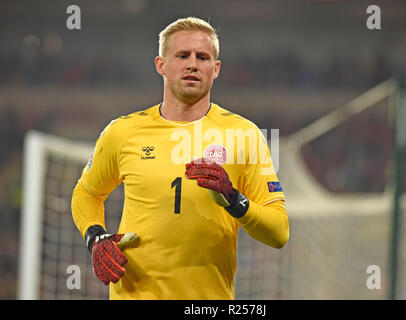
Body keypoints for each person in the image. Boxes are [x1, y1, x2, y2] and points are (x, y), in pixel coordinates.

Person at [71, 16, 289, 300]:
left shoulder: (244, 135)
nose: (193, 64)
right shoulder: (122, 132)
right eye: (182, 55)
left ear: (216, 69)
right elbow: (86, 193)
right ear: (161, 64)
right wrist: (96, 238)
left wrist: (235, 200)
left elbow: (279, 232)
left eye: (203, 57)